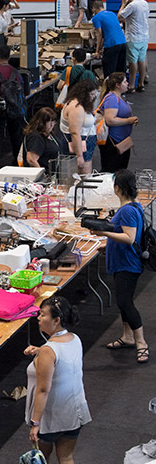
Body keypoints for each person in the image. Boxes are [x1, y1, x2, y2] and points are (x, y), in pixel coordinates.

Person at [22, 295, 90, 464]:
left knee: (43, 461)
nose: (38, 318)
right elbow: (62, 364)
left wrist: (35, 423)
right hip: (74, 410)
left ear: (57, 320)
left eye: (43, 315)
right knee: (67, 458)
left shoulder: (48, 351)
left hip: (51, 416)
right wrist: (39, 352)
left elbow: (43, 390)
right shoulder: (75, 339)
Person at [93, 169, 149, 364]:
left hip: (128, 264)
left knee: (126, 302)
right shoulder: (133, 206)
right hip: (122, 262)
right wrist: (107, 247)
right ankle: (127, 336)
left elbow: (129, 237)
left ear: (117, 188)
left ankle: (141, 342)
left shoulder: (126, 211)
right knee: (122, 301)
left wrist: (104, 234)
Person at [97, 72, 137, 173]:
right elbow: (110, 120)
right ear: (117, 85)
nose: (127, 83)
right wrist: (128, 121)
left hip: (119, 140)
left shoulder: (117, 97)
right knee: (111, 171)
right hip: (113, 142)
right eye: (124, 82)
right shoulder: (112, 99)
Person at [59, 78, 99, 175]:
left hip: (85, 144)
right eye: (92, 94)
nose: (93, 97)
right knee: (82, 177)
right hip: (79, 146)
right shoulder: (76, 108)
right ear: (84, 94)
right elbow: (75, 133)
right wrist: (79, 156)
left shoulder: (81, 105)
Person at [120, 0, 150, 92]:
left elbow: (120, 16)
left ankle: (131, 85)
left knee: (133, 63)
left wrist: (123, 4)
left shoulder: (132, 5)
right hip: (144, 36)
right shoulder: (144, 3)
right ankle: (141, 84)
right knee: (142, 61)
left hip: (133, 37)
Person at [91, 0, 127, 76]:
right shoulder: (112, 13)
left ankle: (109, 87)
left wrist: (97, 51)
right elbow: (109, 32)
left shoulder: (96, 18)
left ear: (94, 8)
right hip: (123, 42)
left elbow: (99, 34)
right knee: (120, 70)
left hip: (112, 44)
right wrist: (102, 47)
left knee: (109, 70)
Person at [22, 107, 62, 173]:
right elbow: (31, 160)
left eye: (53, 121)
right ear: (41, 122)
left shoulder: (49, 133)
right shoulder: (35, 137)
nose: (52, 124)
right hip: (44, 178)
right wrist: (42, 175)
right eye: (49, 121)